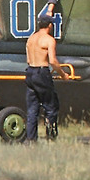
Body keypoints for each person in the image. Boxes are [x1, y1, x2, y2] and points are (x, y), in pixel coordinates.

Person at [24, 12, 61, 141]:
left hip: (30, 71)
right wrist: (63, 73)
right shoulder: (49, 40)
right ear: (50, 25)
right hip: (41, 71)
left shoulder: (31, 39)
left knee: (32, 110)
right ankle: (51, 137)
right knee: (51, 106)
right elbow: (53, 61)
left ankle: (31, 139)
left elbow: (28, 59)